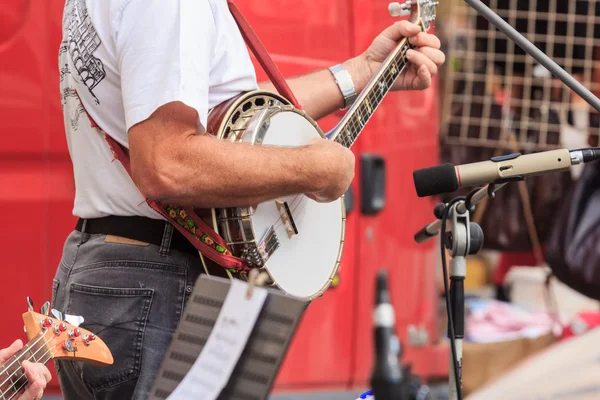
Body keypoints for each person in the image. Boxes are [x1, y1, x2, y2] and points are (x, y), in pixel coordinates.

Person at [51, 1, 445, 399]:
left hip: (109, 276)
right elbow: (166, 162)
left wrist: (361, 73)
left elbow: (222, 120)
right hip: (157, 284)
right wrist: (311, 170)